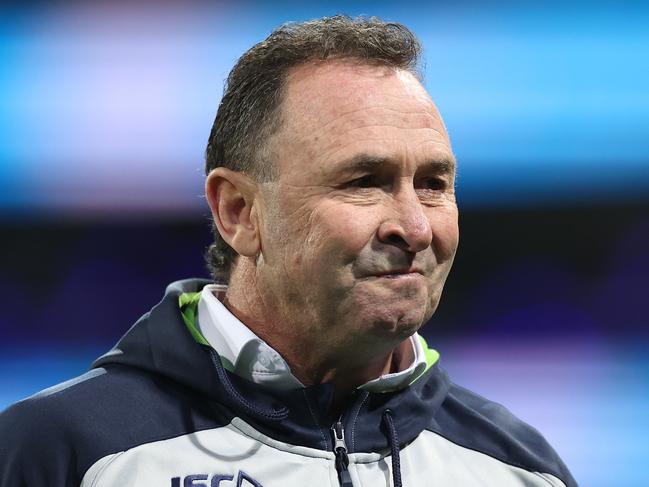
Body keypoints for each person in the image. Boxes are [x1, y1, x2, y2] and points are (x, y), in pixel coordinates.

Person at [0, 15, 578, 487]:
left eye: (433, 185)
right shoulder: (64, 452)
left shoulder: (521, 469)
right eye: (363, 182)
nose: (415, 228)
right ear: (239, 213)